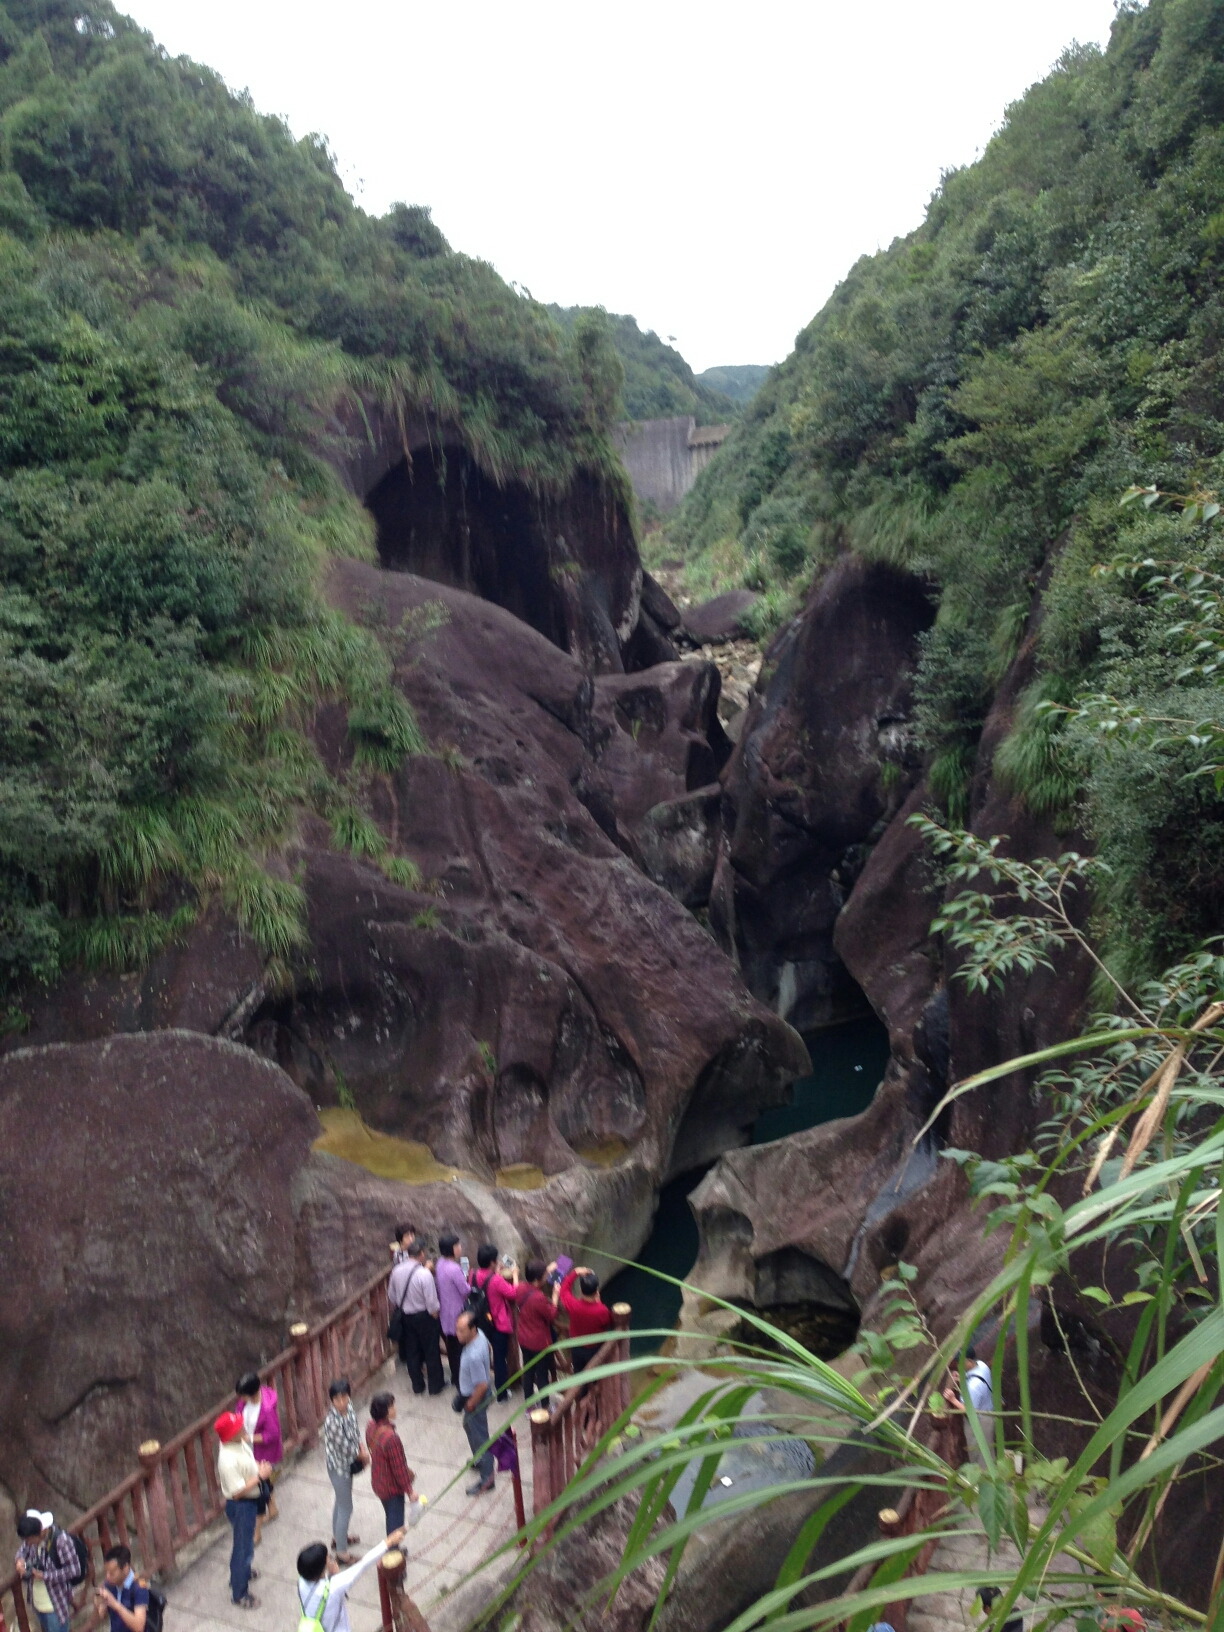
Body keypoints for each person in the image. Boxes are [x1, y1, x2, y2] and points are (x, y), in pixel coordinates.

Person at [296, 1529, 407, 1632]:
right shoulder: (334, 1587)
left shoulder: (301, 1582)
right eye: (328, 1559)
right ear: (321, 1568)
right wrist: (389, 1542)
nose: (331, 1559)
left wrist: (333, 1575)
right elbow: (363, 1564)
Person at [214, 1408, 271, 1608]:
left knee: (243, 1544)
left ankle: (240, 1574)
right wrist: (260, 1477)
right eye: (238, 1427)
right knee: (243, 1548)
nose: (242, 1428)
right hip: (241, 1505)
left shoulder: (238, 1442)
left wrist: (257, 1467)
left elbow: (248, 1458)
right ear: (231, 1435)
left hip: (250, 1501)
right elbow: (237, 1492)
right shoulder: (227, 1460)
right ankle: (239, 1593)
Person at [389, 1239, 445, 1395]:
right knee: (431, 1351)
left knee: (412, 1351)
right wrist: (435, 1316)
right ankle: (435, 1386)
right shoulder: (424, 1274)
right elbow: (432, 1302)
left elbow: (391, 1296)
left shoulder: (396, 1270)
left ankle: (418, 1385)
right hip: (424, 1316)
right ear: (421, 1254)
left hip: (406, 1317)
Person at [321, 1377, 368, 1565]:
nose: (342, 1402)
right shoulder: (332, 1422)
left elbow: (355, 1432)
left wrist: (361, 1447)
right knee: (346, 1508)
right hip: (339, 1468)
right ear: (331, 1400)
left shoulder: (349, 1409)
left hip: (346, 1464)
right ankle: (341, 1553)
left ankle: (338, 1538)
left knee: (340, 1504)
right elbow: (345, 1448)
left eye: (344, 1397)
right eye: (337, 1399)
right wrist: (363, 1456)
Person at [235, 1371, 283, 1544]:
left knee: (256, 1491)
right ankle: (273, 1508)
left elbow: (272, 1434)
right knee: (265, 1483)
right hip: (250, 1450)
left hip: (262, 1453)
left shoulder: (267, 1409)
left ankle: (257, 1531)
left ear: (252, 1393)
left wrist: (249, 1438)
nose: (241, 1399)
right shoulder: (244, 1403)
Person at [15, 1510, 78, 1632]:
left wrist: (45, 1576)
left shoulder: (61, 1541)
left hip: (55, 1605)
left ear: (41, 1531)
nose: (28, 1543)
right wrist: (19, 1561)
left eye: (30, 1540)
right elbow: (22, 1550)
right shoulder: (31, 1539)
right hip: (38, 1604)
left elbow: (74, 1570)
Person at [455, 1311, 495, 1496]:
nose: (458, 1334)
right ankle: (480, 1461)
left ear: (472, 1329)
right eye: (457, 1329)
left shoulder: (473, 1355)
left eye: (462, 1331)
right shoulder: (480, 1337)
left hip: (475, 1397)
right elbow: (489, 1349)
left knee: (480, 1437)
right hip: (470, 1393)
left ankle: (487, 1478)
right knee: (468, 1425)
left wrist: (471, 1403)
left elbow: (482, 1384)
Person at [471, 1244, 517, 1399]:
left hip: (481, 1322)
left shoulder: (473, 1274)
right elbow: (512, 1293)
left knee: (483, 1354)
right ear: (492, 1262)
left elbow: (484, 1286)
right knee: (499, 1359)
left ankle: (483, 1388)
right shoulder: (496, 1280)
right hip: (498, 1323)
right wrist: (515, 1275)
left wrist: (495, 1272)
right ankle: (502, 1393)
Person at [366, 1392, 416, 1535]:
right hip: (392, 1488)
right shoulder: (391, 1438)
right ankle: (393, 1553)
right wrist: (410, 1491)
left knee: (390, 1516)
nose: (395, 1408)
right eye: (392, 1406)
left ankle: (394, 1550)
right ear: (386, 1412)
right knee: (396, 1528)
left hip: (378, 1481)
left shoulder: (370, 1426)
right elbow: (399, 1468)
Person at [555, 1262, 611, 1371]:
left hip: (577, 1346)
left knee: (579, 1374)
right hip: (595, 1349)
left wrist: (575, 1272)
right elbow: (607, 1323)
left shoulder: (573, 1305)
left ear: (581, 1290)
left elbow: (563, 1290)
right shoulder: (602, 1310)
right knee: (596, 1376)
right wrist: (598, 1302)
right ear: (596, 1292)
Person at [514, 1259, 557, 1397]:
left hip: (523, 1339)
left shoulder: (520, 1287)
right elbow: (551, 1315)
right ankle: (545, 1407)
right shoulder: (539, 1297)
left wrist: (547, 1270)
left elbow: (517, 1287)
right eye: (545, 1275)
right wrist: (555, 1297)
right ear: (539, 1279)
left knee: (528, 1372)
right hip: (538, 1343)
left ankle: (529, 1406)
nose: (547, 1276)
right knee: (542, 1375)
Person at [436, 1234, 469, 1390]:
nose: (460, 1248)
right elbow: (465, 1290)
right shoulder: (455, 1269)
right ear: (453, 1249)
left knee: (452, 1349)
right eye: (458, 1246)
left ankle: (456, 1377)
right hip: (457, 1313)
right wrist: (468, 1280)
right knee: (460, 1348)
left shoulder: (440, 1263)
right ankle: (461, 1380)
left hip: (445, 1313)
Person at [90, 1546, 148, 1632]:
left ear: (125, 1568)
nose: (107, 1577)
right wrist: (99, 1605)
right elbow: (102, 1616)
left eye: (112, 1573)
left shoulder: (139, 1588)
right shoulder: (109, 1585)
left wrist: (115, 1604)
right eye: (106, 1572)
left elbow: (139, 1627)